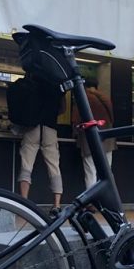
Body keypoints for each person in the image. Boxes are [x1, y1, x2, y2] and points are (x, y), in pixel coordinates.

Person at [17, 79, 66, 218]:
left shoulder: (31, 85)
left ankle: (24, 202)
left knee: (26, 165)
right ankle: (56, 205)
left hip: (32, 128)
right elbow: (63, 109)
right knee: (54, 167)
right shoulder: (57, 88)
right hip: (50, 128)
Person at [72, 76, 116, 189]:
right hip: (107, 139)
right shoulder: (106, 99)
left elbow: (75, 120)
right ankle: (107, 200)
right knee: (107, 172)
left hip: (89, 140)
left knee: (90, 171)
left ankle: (92, 202)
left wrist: (75, 134)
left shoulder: (83, 98)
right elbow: (112, 119)